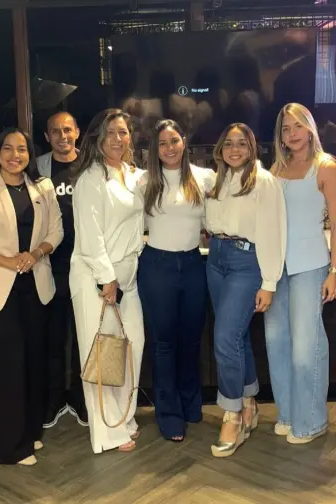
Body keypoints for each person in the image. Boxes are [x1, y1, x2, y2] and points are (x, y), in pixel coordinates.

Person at [0, 128, 63, 465]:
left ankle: (29, 434)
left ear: (30, 155)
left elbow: (56, 231)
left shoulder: (43, 188)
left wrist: (35, 254)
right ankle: (8, 448)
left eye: (21, 149)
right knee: (7, 367)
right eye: (7, 148)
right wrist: (8, 261)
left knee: (33, 363)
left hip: (36, 285)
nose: (14, 155)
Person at [264, 103, 336, 444]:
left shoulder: (326, 168)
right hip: (276, 268)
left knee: (305, 348)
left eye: (298, 126)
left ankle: (311, 421)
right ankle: (288, 414)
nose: (292, 133)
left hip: (310, 265)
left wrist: (334, 271)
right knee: (276, 344)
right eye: (286, 128)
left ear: (310, 128)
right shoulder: (277, 168)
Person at [205, 122, 287, 458]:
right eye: (228, 143)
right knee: (236, 337)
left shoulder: (263, 181)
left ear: (252, 147)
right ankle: (250, 401)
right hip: (216, 259)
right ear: (220, 148)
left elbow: (273, 232)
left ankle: (233, 414)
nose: (234, 149)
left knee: (225, 338)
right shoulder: (217, 180)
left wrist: (269, 282)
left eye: (241, 143)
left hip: (245, 261)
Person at [70, 108, 145, 454]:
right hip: (97, 278)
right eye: (111, 132)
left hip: (128, 275)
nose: (118, 139)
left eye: (123, 132)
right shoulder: (91, 178)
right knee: (101, 353)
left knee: (132, 348)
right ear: (98, 138)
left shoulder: (131, 174)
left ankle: (123, 418)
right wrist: (106, 279)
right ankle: (106, 431)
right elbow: (90, 236)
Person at [136, 119, 215, 442]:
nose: (169, 148)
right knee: (164, 343)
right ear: (155, 149)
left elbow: (213, 220)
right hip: (157, 266)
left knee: (192, 340)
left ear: (184, 141)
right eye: (162, 143)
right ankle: (168, 414)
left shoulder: (204, 177)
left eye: (174, 141)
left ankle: (189, 403)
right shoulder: (144, 182)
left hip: (193, 264)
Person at [36, 111, 88, 428]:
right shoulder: (37, 168)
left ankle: (81, 400)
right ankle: (54, 400)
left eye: (67, 129)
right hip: (50, 266)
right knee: (53, 338)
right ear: (47, 136)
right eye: (55, 131)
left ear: (77, 132)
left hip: (84, 265)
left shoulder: (91, 166)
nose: (62, 136)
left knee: (84, 338)